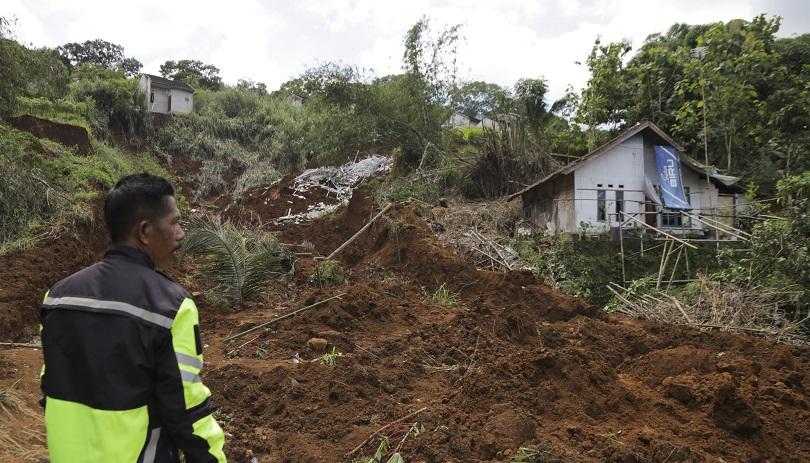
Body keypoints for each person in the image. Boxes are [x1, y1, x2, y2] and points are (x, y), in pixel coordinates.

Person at [40, 173, 226, 463]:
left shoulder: (57, 297)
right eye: (175, 222)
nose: (181, 234)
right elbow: (186, 412)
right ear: (144, 231)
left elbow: (49, 385)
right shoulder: (171, 307)